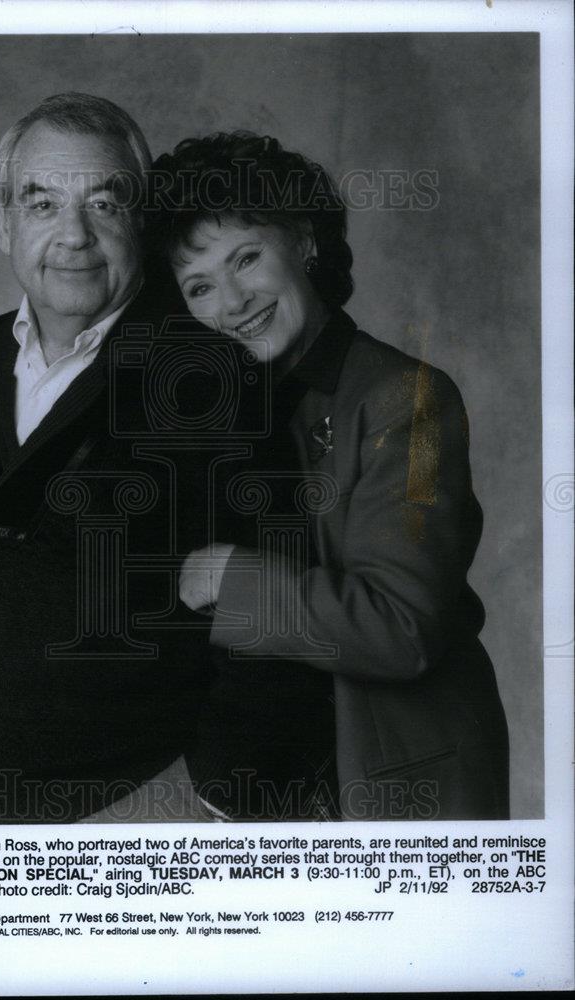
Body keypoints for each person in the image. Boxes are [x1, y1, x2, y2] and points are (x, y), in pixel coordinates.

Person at [149, 131, 510, 820]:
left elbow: (399, 628)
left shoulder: (407, 399)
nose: (231, 302)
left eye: (246, 258)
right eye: (198, 286)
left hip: (393, 777)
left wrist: (231, 580)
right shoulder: (212, 412)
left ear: (304, 239)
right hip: (261, 789)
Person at [0, 93, 220, 824]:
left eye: (103, 204)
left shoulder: (205, 371)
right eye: (42, 204)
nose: (74, 236)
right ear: (4, 221)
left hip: (136, 800)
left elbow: (266, 595)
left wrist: (217, 795)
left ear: (141, 218)